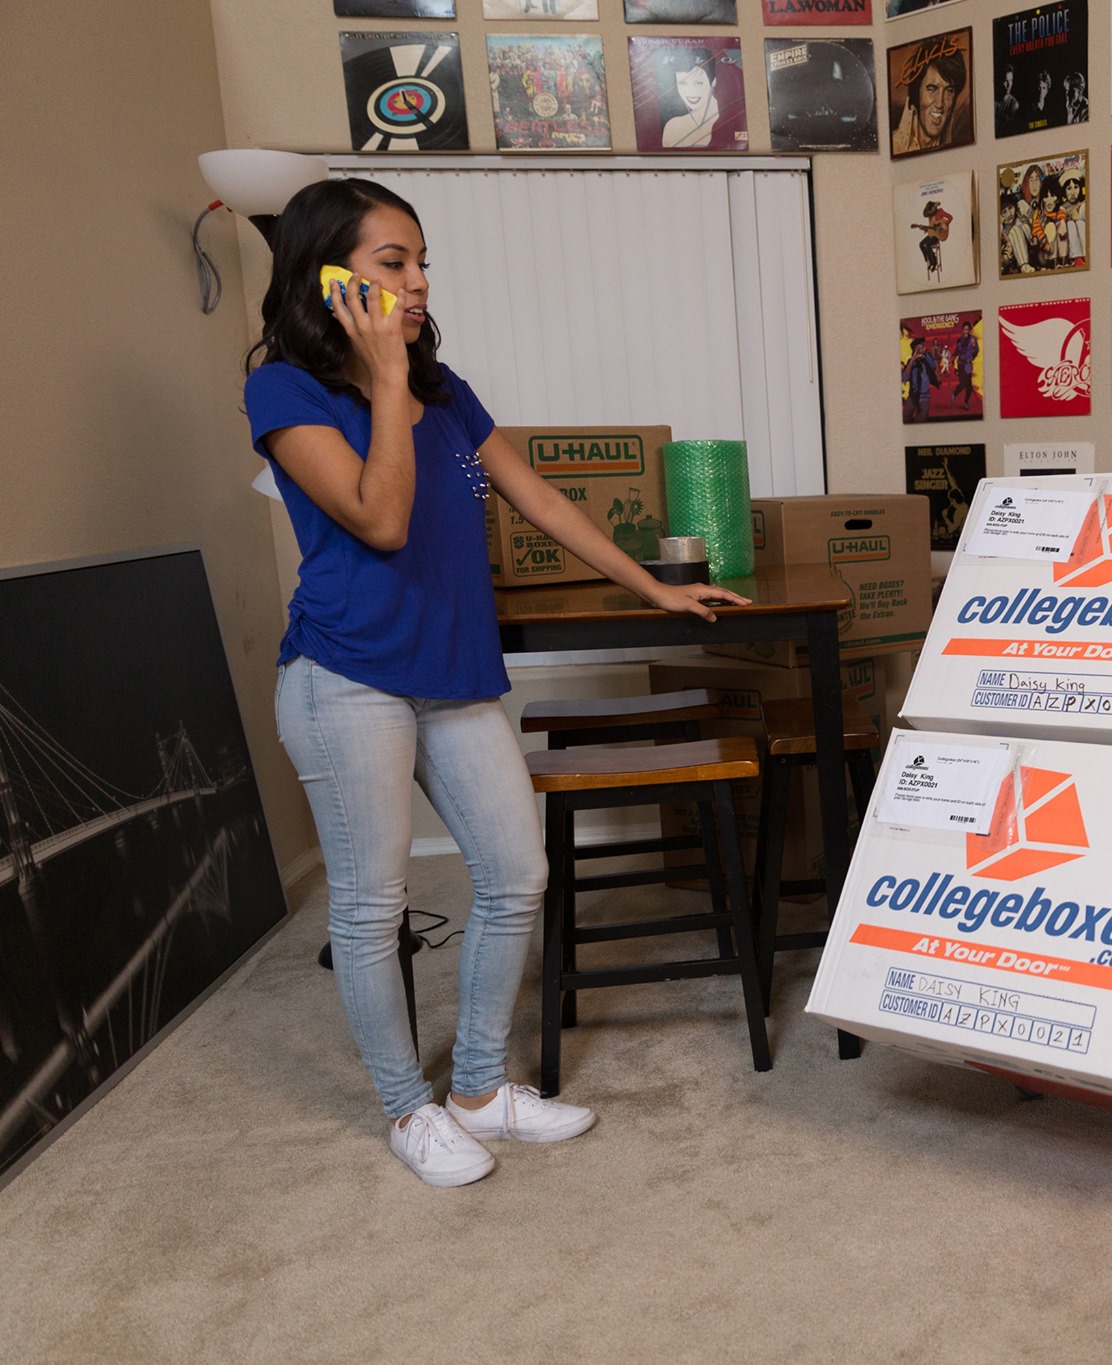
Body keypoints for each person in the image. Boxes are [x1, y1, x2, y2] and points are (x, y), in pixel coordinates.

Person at [243, 179, 749, 1187]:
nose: (419, 281)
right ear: (329, 278)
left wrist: (655, 586)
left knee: (517, 873)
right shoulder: (286, 393)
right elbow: (380, 518)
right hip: (344, 678)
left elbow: (538, 500)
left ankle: (478, 1087)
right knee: (372, 906)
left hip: (452, 673)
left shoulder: (447, 396)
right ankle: (407, 1109)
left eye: (422, 262)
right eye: (393, 263)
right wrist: (387, 377)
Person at [891, 44, 966, 156]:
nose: (940, 103)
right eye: (932, 89)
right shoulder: (894, 148)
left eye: (949, 91)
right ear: (916, 94)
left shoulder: (958, 150)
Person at [662, 49, 721, 149]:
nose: (691, 92)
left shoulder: (730, 115)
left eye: (698, 83)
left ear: (713, 81)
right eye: (683, 83)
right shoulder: (673, 127)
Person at [902, 334, 939, 421]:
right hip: (913, 396)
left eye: (922, 345)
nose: (922, 347)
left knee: (921, 420)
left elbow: (934, 365)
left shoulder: (927, 358)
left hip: (925, 396)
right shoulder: (911, 362)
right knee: (905, 418)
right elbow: (905, 377)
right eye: (919, 346)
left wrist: (925, 354)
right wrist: (914, 358)